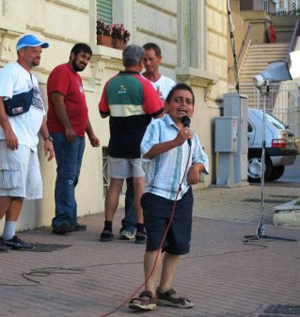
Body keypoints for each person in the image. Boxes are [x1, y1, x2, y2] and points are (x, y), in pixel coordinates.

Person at [129, 83, 209, 311]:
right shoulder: (157, 126)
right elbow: (146, 150)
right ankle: (148, 292)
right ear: (166, 105)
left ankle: (165, 290)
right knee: (155, 243)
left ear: (193, 109)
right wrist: (176, 141)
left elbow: (201, 157)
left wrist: (197, 167)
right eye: (178, 100)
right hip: (157, 195)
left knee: (177, 245)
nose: (183, 105)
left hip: (182, 197)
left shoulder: (192, 133)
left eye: (189, 101)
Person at [99, 44, 164, 244]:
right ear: (140, 61)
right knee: (138, 186)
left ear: (123, 60)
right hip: (139, 145)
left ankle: (107, 228)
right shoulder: (144, 85)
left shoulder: (110, 83)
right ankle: (141, 229)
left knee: (114, 185)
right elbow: (158, 113)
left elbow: (102, 112)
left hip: (117, 143)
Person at [0, 34, 54, 252]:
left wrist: (47, 138)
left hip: (29, 142)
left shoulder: (31, 77)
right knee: (9, 188)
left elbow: (39, 113)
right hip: (14, 140)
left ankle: (9, 235)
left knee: (20, 190)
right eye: (34, 51)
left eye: (40, 51)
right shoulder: (11, 70)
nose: (38, 54)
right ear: (21, 51)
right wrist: (8, 130)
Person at [119, 42, 176, 241]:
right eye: (145, 59)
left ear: (160, 59)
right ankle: (130, 225)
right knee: (135, 185)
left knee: (160, 185)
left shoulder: (169, 84)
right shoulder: (136, 81)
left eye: (152, 59)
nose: (148, 63)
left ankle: (157, 224)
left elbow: (177, 111)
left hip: (162, 142)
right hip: (139, 140)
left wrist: (163, 106)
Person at [47, 43, 100, 235]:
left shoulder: (76, 78)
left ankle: (70, 218)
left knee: (72, 178)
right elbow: (57, 100)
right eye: (82, 57)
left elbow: (81, 109)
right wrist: (67, 127)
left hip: (77, 135)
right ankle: (61, 220)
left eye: (87, 59)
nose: (84, 61)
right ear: (72, 55)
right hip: (64, 134)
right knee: (66, 177)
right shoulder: (61, 72)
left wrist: (91, 133)